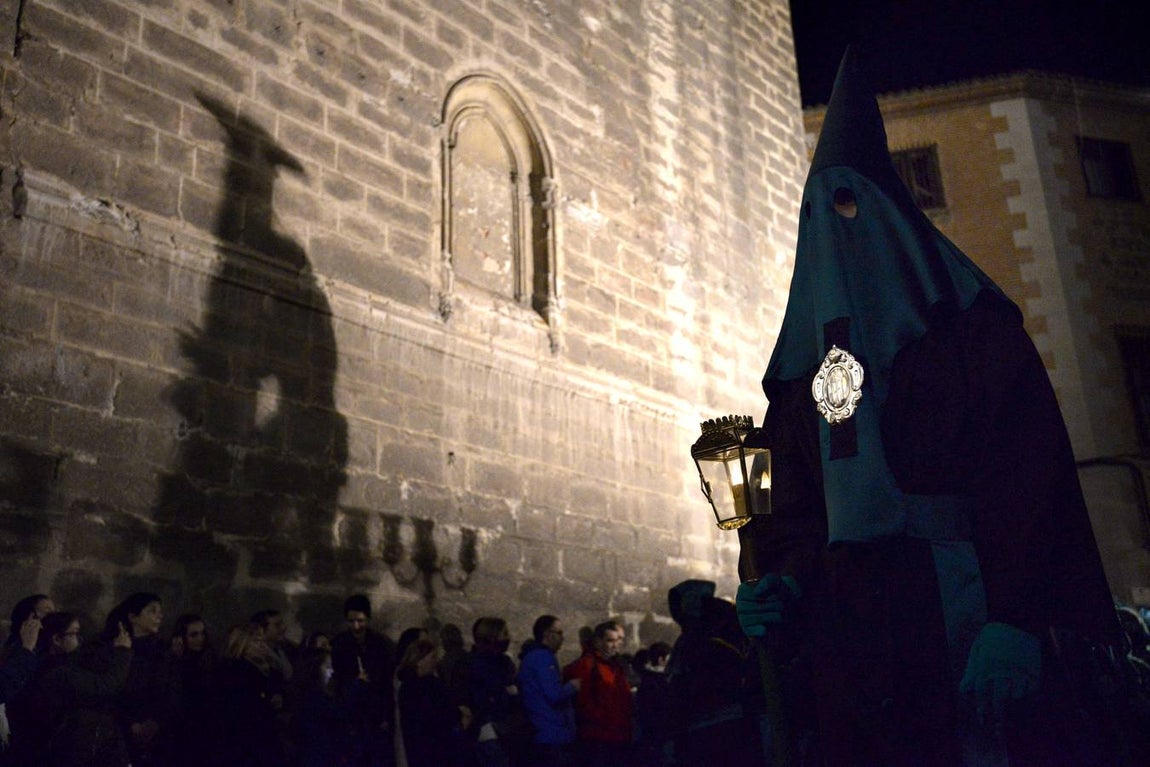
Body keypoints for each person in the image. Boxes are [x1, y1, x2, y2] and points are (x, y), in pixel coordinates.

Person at [734, 46, 1132, 767]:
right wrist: (778, 585)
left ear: (893, 215)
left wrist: (1015, 614)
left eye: (851, 203)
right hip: (853, 646)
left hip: (963, 609)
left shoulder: (974, 337)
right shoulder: (798, 385)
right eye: (819, 212)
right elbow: (789, 510)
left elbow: (1027, 480)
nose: (837, 228)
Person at [11, 611, 134, 766]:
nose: (80, 640)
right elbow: (105, 686)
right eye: (74, 633)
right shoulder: (58, 672)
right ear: (56, 639)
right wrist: (123, 652)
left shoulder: (63, 665)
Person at [108, 592, 177, 767]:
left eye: (160, 611)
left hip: (155, 727)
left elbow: (168, 687)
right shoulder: (119, 648)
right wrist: (130, 721)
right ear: (133, 617)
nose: (159, 616)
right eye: (152, 611)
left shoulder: (163, 650)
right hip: (123, 726)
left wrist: (154, 721)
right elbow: (116, 685)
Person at [330, 595, 397, 767]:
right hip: (351, 717)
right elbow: (336, 682)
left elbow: (386, 683)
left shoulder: (381, 645)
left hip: (375, 715)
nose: (356, 626)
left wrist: (385, 716)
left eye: (360, 621)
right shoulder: (339, 645)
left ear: (368, 619)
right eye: (351, 621)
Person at [210, 622, 284, 766]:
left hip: (260, 737)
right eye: (256, 641)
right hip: (247, 741)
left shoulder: (266, 670)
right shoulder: (236, 672)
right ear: (243, 644)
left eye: (263, 641)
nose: (263, 645)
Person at [562, 620, 632, 767]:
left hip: (618, 735)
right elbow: (584, 704)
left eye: (617, 640)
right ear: (598, 642)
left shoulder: (616, 666)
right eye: (610, 640)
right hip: (599, 738)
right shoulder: (587, 665)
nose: (615, 645)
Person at [396, 637, 470, 767]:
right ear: (419, 660)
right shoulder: (422, 687)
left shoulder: (414, 684)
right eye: (432, 657)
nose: (436, 661)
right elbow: (440, 711)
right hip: (432, 745)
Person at [517, 615, 580, 767]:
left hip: (543, 732)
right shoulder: (542, 658)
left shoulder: (532, 657)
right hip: (551, 733)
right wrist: (573, 686)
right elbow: (554, 694)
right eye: (559, 633)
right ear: (547, 634)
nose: (562, 638)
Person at [467, 616, 527, 767]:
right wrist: (508, 693)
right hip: (491, 726)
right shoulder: (481, 662)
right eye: (505, 633)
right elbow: (492, 694)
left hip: (505, 726)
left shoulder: (502, 661)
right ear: (492, 636)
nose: (509, 637)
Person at [168, 613, 216, 767]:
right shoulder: (175, 663)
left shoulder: (211, 659)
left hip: (209, 728)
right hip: (185, 730)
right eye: (194, 635)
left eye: (202, 633)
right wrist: (177, 660)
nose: (200, 638)